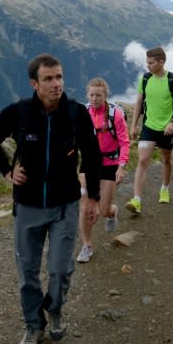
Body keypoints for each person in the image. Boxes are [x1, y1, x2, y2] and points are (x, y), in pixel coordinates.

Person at [0, 53, 101, 344]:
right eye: (48, 79)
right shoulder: (20, 112)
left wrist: (94, 198)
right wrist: (7, 170)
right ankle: (34, 324)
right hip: (28, 205)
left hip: (65, 205)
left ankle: (55, 308)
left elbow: (93, 154)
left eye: (59, 77)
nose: (56, 83)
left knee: (60, 269)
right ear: (35, 84)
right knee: (27, 273)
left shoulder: (76, 113)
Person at [125, 46, 173, 214]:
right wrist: (134, 125)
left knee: (166, 159)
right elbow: (138, 103)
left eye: (151, 63)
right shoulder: (145, 79)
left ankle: (164, 188)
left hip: (167, 127)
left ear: (161, 62)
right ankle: (136, 201)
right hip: (149, 127)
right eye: (147, 62)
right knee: (143, 160)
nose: (147, 66)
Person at [76, 78, 130, 263]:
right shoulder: (83, 113)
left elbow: (124, 141)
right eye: (91, 95)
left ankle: (112, 212)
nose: (94, 98)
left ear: (105, 95)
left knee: (103, 209)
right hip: (89, 163)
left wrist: (121, 166)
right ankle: (87, 246)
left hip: (110, 163)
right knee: (84, 204)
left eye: (98, 95)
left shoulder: (115, 115)